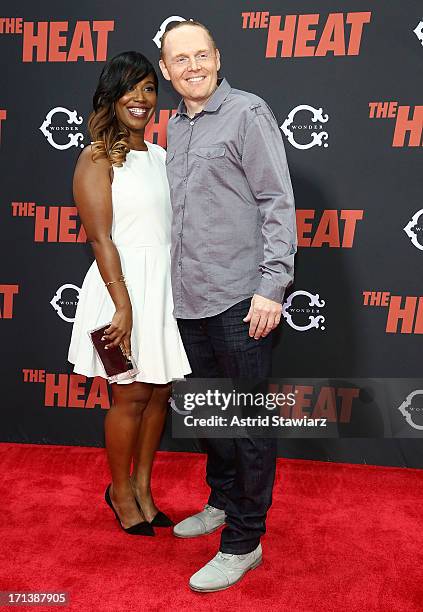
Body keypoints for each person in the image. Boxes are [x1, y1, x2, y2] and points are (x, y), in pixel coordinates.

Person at [159, 21, 297, 590]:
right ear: (165, 70)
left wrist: (272, 285)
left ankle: (244, 540)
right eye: (180, 59)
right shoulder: (173, 125)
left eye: (201, 54)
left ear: (217, 57)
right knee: (209, 415)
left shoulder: (247, 113)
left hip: (241, 298)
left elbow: (276, 201)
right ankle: (221, 501)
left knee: (248, 424)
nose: (192, 66)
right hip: (187, 299)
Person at [68, 51, 191, 536]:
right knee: (129, 397)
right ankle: (120, 492)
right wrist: (123, 305)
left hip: (161, 291)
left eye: (149, 88)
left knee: (159, 394)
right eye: (130, 88)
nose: (140, 98)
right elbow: (100, 239)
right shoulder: (96, 157)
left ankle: (143, 487)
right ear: (111, 95)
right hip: (116, 292)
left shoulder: (161, 157)